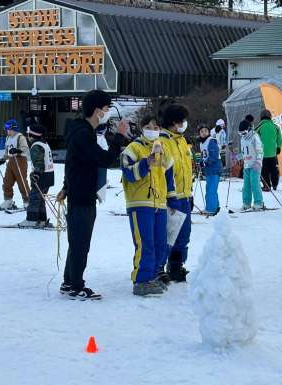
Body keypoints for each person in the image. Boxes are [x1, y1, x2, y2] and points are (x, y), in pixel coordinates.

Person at [58, 90, 125, 300]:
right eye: (106, 108)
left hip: (79, 193)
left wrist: (65, 187)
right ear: (97, 111)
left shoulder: (82, 131)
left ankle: (69, 282)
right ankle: (76, 285)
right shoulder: (82, 133)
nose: (108, 112)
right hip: (82, 196)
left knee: (77, 241)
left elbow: (73, 163)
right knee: (80, 243)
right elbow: (104, 159)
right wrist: (119, 137)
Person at [121, 115, 176, 296]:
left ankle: (152, 276)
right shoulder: (133, 148)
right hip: (140, 203)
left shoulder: (163, 150)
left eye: (155, 127)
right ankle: (141, 280)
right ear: (142, 128)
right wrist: (145, 163)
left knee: (160, 243)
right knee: (145, 243)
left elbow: (169, 176)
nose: (152, 130)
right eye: (148, 127)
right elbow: (128, 173)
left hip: (159, 203)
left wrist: (172, 198)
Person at [160, 104, 193, 282]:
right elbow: (165, 171)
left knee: (183, 233)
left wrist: (190, 192)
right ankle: (159, 267)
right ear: (174, 122)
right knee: (168, 234)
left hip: (185, 195)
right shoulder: (163, 141)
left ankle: (176, 265)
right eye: (182, 121)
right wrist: (169, 195)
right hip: (170, 197)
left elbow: (186, 168)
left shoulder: (182, 140)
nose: (184, 124)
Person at [18, 125, 54, 228]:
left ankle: (31, 219)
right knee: (41, 198)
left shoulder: (36, 146)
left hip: (41, 176)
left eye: (28, 134)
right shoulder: (44, 143)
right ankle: (41, 219)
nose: (27, 137)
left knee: (34, 198)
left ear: (32, 135)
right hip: (49, 175)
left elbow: (39, 162)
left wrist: (36, 173)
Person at [0, 119, 30, 209]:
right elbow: (7, 152)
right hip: (11, 161)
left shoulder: (20, 137)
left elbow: (25, 149)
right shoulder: (8, 138)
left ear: (14, 128)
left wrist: (17, 150)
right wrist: (2, 160)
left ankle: (27, 201)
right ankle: (8, 200)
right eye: (6, 129)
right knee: (7, 181)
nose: (7, 130)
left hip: (20, 160)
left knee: (21, 182)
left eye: (8, 128)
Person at [238, 119, 264, 210]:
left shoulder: (254, 137)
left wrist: (258, 162)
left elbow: (260, 150)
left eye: (244, 133)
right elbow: (244, 151)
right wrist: (239, 157)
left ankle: (258, 202)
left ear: (249, 129)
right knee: (246, 185)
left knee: (255, 183)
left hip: (255, 165)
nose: (242, 135)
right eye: (240, 133)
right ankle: (246, 203)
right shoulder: (242, 138)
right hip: (246, 165)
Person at [255, 109, 282, 191]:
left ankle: (267, 185)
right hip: (273, 153)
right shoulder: (275, 127)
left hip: (262, 153)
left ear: (261, 117)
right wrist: (278, 147)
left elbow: (254, 137)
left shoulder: (259, 127)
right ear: (270, 117)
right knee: (274, 170)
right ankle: (275, 184)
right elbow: (279, 139)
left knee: (264, 171)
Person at [197, 123, 222, 215]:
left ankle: (211, 209)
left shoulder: (211, 141)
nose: (203, 133)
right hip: (208, 170)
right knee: (209, 189)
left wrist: (206, 162)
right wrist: (201, 162)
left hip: (214, 169)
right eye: (201, 131)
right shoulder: (202, 143)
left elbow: (214, 155)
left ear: (209, 132)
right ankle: (215, 207)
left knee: (211, 190)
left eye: (205, 131)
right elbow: (203, 155)